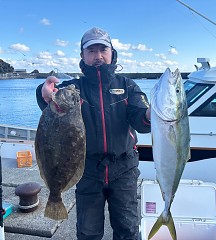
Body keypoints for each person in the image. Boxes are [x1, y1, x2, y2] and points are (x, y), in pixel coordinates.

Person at [36, 27, 151, 240]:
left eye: (102, 49)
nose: (98, 56)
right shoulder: (73, 88)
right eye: (91, 51)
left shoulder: (128, 86)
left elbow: (141, 121)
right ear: (82, 55)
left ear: (112, 52)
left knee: (128, 231)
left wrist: (152, 114)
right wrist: (43, 93)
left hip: (124, 169)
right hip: (87, 171)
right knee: (88, 233)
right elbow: (51, 102)